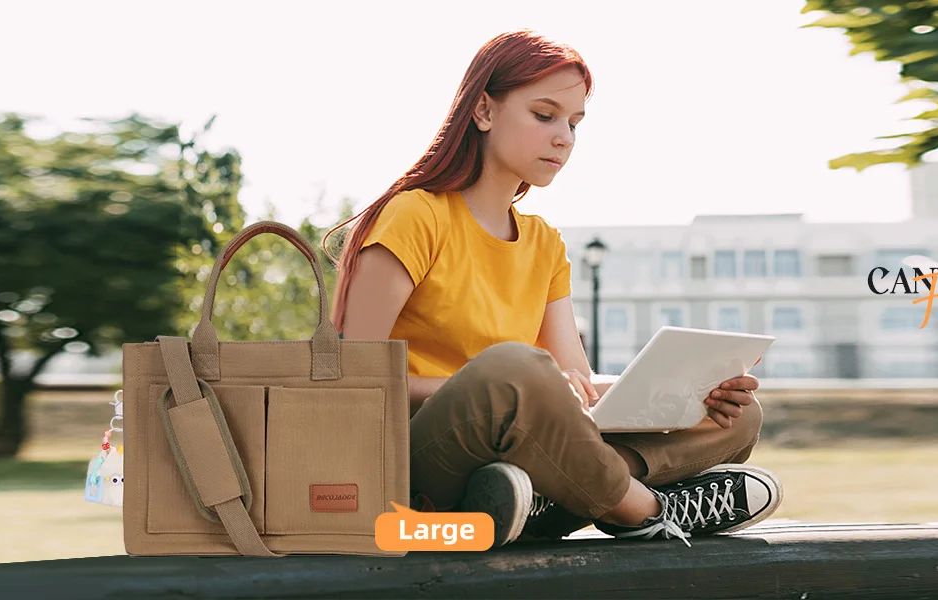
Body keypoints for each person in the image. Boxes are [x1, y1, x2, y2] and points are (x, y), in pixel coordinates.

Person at [326, 29, 782, 547]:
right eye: (544, 116)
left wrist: (694, 391)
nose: (564, 137)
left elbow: (576, 387)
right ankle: (646, 509)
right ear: (483, 111)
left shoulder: (543, 243)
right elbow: (351, 380)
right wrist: (513, 392)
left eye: (574, 123)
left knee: (735, 419)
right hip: (416, 469)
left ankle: (532, 501)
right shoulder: (415, 216)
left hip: (513, 460)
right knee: (516, 368)